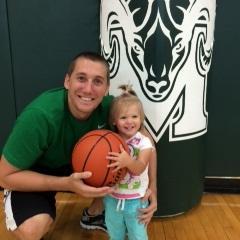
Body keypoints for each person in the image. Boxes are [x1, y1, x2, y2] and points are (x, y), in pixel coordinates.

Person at [0, 52, 157, 240]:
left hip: (77, 165)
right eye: (81, 78)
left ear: (107, 88)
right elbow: (4, 177)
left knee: (110, 158)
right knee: (32, 229)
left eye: (98, 81)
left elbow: (147, 142)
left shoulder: (111, 108)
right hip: (36, 171)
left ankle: (93, 215)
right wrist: (65, 184)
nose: (89, 89)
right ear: (67, 81)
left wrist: (153, 186)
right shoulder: (39, 117)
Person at [103, 85, 154, 240]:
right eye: (123, 117)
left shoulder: (144, 142)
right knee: (114, 234)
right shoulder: (109, 140)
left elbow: (139, 168)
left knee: (138, 236)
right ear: (114, 121)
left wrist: (126, 161)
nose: (129, 121)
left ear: (141, 119)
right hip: (112, 199)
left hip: (136, 200)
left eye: (134, 116)